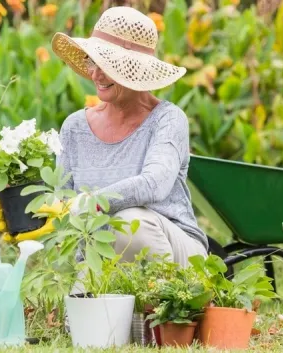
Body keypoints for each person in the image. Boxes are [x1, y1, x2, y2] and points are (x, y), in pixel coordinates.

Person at [50, 6, 209, 266]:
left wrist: (92, 202)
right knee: (82, 292)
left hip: (176, 251)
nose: (96, 74)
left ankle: (163, 303)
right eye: (93, 61)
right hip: (100, 258)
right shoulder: (75, 127)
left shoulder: (168, 120)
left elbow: (153, 184)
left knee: (129, 222)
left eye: (107, 64)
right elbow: (63, 202)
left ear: (134, 67)